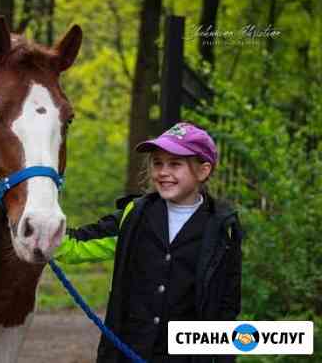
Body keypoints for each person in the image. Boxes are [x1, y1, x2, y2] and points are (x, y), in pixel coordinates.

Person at [53, 122, 244, 363]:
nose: (163, 171)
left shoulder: (222, 231)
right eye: (157, 163)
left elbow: (227, 307)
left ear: (203, 171)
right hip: (128, 351)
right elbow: (77, 245)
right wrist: (38, 228)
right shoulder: (134, 216)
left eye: (175, 164)